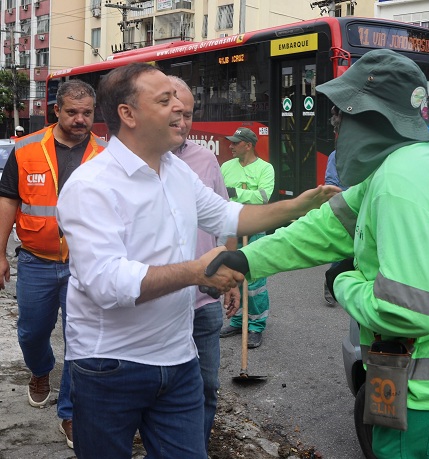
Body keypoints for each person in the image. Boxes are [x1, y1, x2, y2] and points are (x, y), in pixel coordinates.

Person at [204, 49, 429, 458]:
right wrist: (249, 260)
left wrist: (344, 283)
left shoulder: (399, 182)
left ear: (371, 116)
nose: (335, 124)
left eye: (342, 113)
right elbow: (325, 227)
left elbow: (411, 312)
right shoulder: (405, 162)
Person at [55, 62, 339, 459]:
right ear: (128, 114)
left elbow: (230, 215)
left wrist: (297, 206)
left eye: (179, 99)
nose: (180, 108)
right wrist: (194, 272)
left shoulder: (176, 172)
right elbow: (106, 283)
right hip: (111, 367)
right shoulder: (90, 186)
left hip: (179, 359)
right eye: (165, 99)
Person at [0, 79, 106, 450]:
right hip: (36, 261)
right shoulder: (27, 148)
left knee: (82, 341)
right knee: (31, 332)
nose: (80, 119)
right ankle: (41, 371)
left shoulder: (106, 154)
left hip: (85, 265)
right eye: (72, 112)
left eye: (87, 113)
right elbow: (9, 201)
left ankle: (71, 413)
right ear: (56, 111)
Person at [168, 75, 240, 451]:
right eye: (174, 112)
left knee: (207, 386)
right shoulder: (129, 164)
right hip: (159, 305)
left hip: (205, 299)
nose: (182, 122)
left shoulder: (206, 159)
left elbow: (226, 219)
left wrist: (233, 276)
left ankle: (194, 449)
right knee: (162, 392)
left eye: (189, 114)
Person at [219, 127, 275, 348]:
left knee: (255, 281)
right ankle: (236, 320)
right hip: (232, 229)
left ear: (248, 145)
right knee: (233, 277)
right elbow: (219, 195)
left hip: (256, 227)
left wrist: (235, 193)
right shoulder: (225, 166)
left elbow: (263, 197)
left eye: (235, 143)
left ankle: (256, 326)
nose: (230, 146)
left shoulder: (265, 168)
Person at [323, 105, 348, 305]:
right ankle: (330, 282)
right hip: (345, 211)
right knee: (341, 251)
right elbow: (332, 185)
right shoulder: (335, 157)